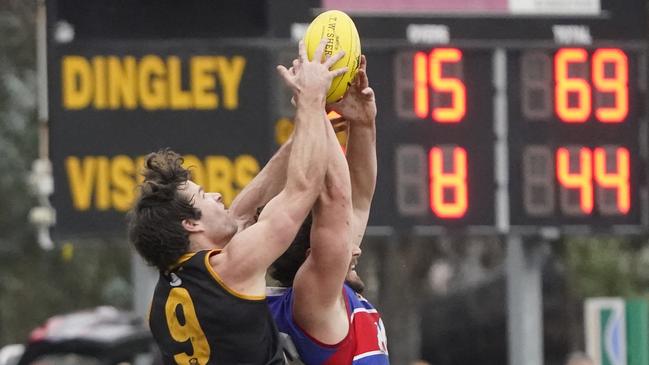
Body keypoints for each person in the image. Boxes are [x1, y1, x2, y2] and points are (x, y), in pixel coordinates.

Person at [127, 39, 347, 364]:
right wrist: (312, 100)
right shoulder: (230, 269)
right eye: (203, 196)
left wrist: (305, 124)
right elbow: (303, 190)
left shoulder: (162, 301)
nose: (216, 195)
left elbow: (240, 215)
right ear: (191, 223)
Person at [232, 55, 387, 364]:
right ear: (311, 257)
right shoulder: (314, 300)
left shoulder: (330, 288)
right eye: (344, 245)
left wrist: (363, 124)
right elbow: (337, 196)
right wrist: (315, 101)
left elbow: (357, 202)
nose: (355, 250)